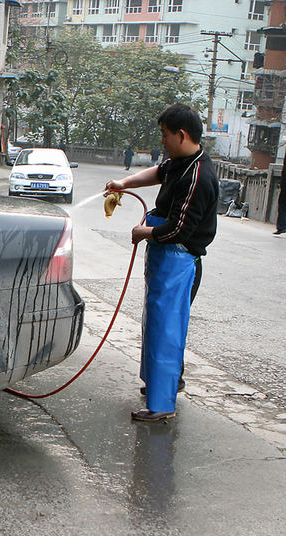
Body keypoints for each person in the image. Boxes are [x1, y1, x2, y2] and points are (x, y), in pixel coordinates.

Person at [105, 104, 219, 422]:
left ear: (181, 135)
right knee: (155, 325)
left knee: (168, 330)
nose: (162, 141)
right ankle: (159, 384)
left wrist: (144, 232)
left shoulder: (199, 176)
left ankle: (162, 405)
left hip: (180, 262)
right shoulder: (179, 162)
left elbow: (179, 230)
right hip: (165, 260)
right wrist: (124, 183)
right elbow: (158, 172)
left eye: (165, 135)